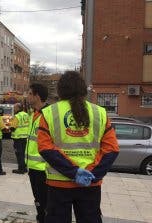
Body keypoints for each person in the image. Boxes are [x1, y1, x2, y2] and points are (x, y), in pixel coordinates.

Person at [37, 71, 119, 223]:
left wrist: (74, 172)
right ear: (83, 90)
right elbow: (112, 149)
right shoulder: (99, 113)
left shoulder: (49, 113)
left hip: (59, 183)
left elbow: (45, 148)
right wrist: (93, 174)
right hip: (90, 183)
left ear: (60, 90)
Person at [25, 83, 49, 223]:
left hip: (43, 169)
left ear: (37, 96)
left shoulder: (47, 115)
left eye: (29, 93)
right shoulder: (34, 114)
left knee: (45, 202)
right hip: (33, 167)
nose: (27, 96)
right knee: (38, 201)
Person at [10, 103, 29, 174]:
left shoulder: (17, 116)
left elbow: (12, 127)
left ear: (18, 108)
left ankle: (20, 169)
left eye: (14, 108)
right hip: (25, 136)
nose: (14, 109)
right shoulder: (26, 115)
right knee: (24, 153)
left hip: (18, 137)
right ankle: (24, 168)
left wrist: (9, 127)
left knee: (19, 153)